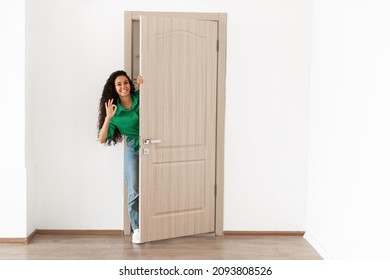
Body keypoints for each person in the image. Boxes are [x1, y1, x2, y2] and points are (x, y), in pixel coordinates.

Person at [97, 70, 143, 244]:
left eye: (125, 82)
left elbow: (161, 96)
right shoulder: (114, 112)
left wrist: (146, 84)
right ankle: (137, 228)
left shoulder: (141, 96)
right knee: (134, 189)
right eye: (119, 84)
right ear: (114, 89)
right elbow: (102, 139)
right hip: (133, 147)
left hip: (151, 143)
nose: (123, 86)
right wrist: (108, 117)